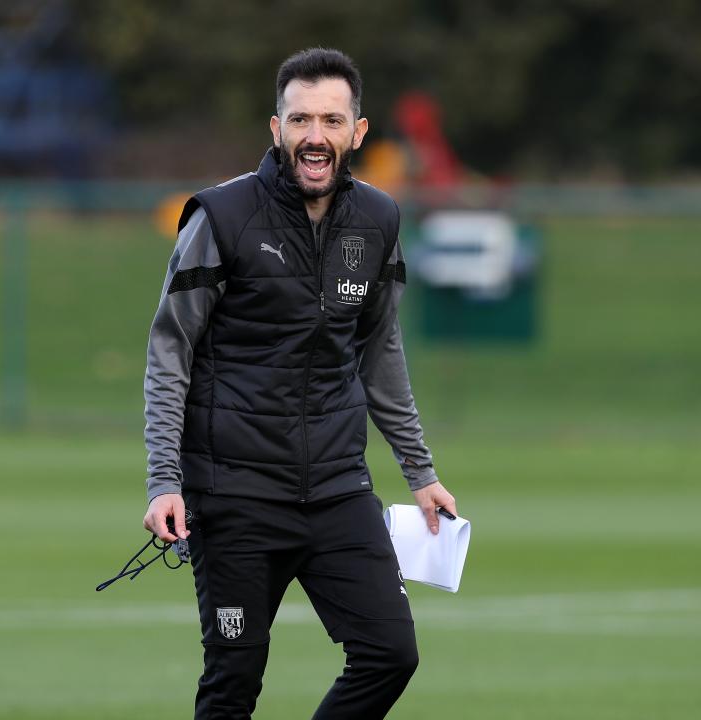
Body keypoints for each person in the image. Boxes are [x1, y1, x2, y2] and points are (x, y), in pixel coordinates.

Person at [142, 47, 457, 720]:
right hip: (235, 497)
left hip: (338, 489)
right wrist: (163, 482)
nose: (316, 135)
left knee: (389, 654)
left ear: (358, 133)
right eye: (301, 119)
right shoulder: (221, 219)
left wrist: (420, 471)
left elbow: (380, 351)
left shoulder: (378, 221)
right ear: (276, 128)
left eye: (332, 121)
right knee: (234, 681)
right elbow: (170, 349)